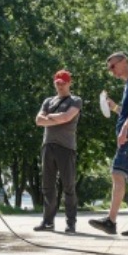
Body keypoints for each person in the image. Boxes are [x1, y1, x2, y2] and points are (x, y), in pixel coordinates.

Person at [89, 52, 128, 238]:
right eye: (109, 69)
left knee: (117, 173)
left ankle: (111, 221)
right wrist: (114, 107)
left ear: (124, 61)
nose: (112, 71)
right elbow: (127, 111)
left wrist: (125, 128)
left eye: (113, 66)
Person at [34, 69, 82, 234]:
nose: (60, 86)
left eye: (63, 83)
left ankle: (71, 223)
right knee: (47, 187)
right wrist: (57, 117)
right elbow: (38, 121)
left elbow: (67, 118)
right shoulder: (48, 101)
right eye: (57, 83)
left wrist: (51, 117)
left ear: (69, 83)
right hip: (48, 145)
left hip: (66, 147)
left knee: (68, 186)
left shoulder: (75, 100)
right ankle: (48, 221)